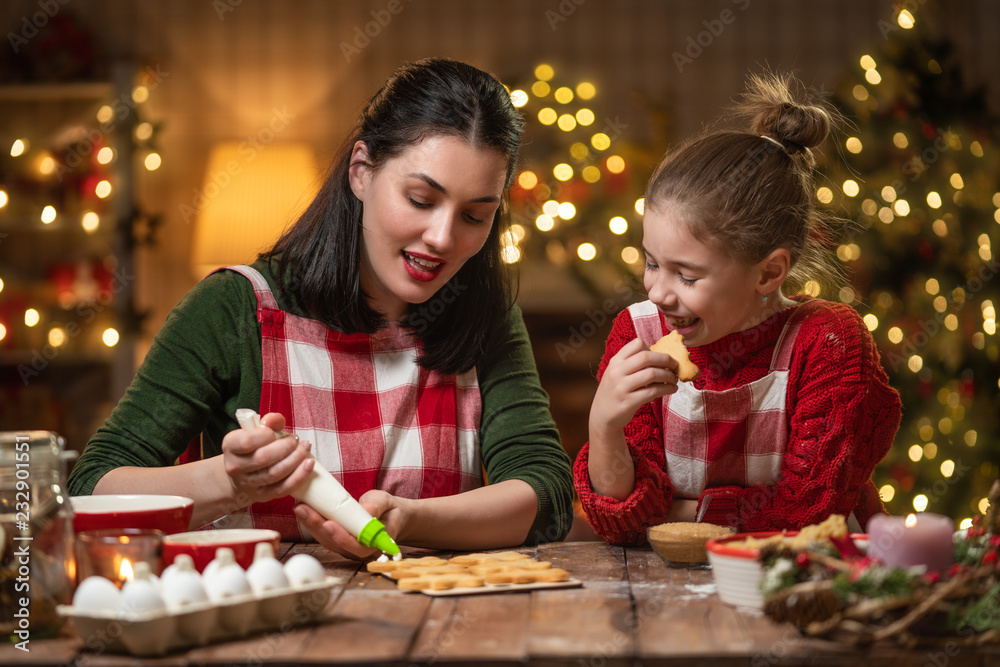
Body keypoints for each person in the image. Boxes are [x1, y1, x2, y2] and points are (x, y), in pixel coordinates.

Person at [68, 58, 574, 558]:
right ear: (361, 172)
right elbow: (91, 489)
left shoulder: (483, 312)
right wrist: (230, 480)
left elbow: (545, 494)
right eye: (421, 199)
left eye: (474, 215)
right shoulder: (232, 308)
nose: (442, 238)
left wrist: (412, 520)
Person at [574, 73, 902, 545]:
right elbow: (621, 523)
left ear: (768, 274)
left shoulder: (828, 344)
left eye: (687, 276)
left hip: (806, 585)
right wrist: (604, 426)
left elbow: (803, 519)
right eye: (651, 263)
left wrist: (682, 510)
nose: (659, 292)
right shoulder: (638, 332)